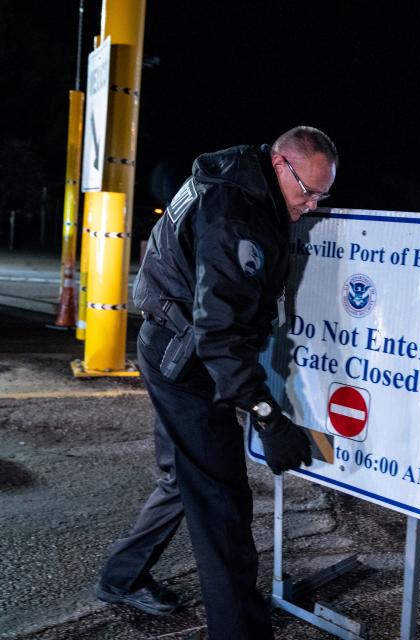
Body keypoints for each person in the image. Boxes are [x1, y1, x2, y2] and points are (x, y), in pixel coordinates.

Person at [95, 126, 337, 639]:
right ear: (278, 164)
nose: (312, 205)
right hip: (186, 362)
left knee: (187, 477)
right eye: (307, 191)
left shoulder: (237, 181)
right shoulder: (238, 215)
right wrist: (268, 417)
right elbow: (220, 333)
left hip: (169, 343)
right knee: (223, 504)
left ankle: (122, 576)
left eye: (323, 195)